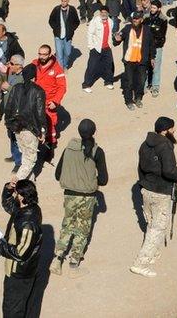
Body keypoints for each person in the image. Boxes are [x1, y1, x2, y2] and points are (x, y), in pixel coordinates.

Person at [51, 118, 109, 276]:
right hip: (87, 196)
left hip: (69, 194)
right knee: (82, 229)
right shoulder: (97, 151)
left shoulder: (68, 148)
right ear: (94, 132)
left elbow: (58, 174)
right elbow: (103, 180)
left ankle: (57, 258)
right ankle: (74, 263)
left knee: (67, 224)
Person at [130, 116, 177, 278]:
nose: (174, 131)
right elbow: (169, 170)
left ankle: (153, 253)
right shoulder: (165, 145)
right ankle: (141, 263)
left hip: (146, 189)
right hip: (161, 191)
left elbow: (140, 167)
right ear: (166, 130)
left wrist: (143, 183)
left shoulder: (145, 144)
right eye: (173, 128)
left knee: (151, 223)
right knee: (158, 228)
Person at [0, 179, 43, 318]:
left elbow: (21, 253)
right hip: (21, 272)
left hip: (19, 274)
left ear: (21, 197)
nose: (15, 195)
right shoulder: (25, 208)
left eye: (16, 192)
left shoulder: (28, 222)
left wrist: (0, 245)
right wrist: (8, 188)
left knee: (13, 309)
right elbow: (7, 204)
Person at [0, 24, 24, 128]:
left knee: (10, 93)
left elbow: (20, 53)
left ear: (4, 32)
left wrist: (12, 63)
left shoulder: (12, 41)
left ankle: (11, 116)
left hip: (8, 71)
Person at [115, 12, 153, 110]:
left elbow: (151, 45)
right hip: (129, 61)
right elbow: (118, 38)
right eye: (133, 19)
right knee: (129, 82)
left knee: (141, 81)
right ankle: (128, 101)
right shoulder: (127, 29)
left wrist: (152, 57)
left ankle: (138, 98)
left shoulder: (147, 30)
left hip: (142, 61)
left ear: (141, 19)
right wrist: (116, 39)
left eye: (137, 19)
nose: (135, 20)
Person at [34, 45, 67, 145]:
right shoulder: (34, 64)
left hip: (49, 102)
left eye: (44, 54)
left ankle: (51, 145)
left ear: (49, 55)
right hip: (36, 101)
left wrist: (55, 101)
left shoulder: (57, 69)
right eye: (40, 54)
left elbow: (62, 87)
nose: (41, 57)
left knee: (50, 124)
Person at [83, 6, 116, 92]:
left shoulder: (111, 21)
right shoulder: (95, 21)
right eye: (102, 12)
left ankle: (108, 81)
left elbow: (110, 34)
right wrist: (91, 46)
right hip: (96, 48)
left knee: (109, 65)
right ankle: (86, 84)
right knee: (92, 66)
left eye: (105, 12)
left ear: (108, 13)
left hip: (107, 47)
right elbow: (90, 33)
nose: (103, 14)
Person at [48, 0, 80, 71]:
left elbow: (77, 21)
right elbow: (51, 20)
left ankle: (65, 65)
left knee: (68, 53)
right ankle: (61, 69)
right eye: (62, 1)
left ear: (68, 1)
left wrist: (72, 29)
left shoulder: (72, 10)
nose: (63, 2)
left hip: (68, 35)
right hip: (58, 35)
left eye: (65, 1)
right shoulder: (56, 9)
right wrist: (55, 28)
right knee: (59, 54)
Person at [144, 0, 168, 97]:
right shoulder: (146, 17)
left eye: (154, 8)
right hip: (146, 46)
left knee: (155, 67)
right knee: (145, 66)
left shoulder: (163, 19)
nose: (152, 9)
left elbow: (161, 35)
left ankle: (155, 87)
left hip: (157, 46)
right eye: (151, 7)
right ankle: (144, 85)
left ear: (159, 8)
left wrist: (153, 34)